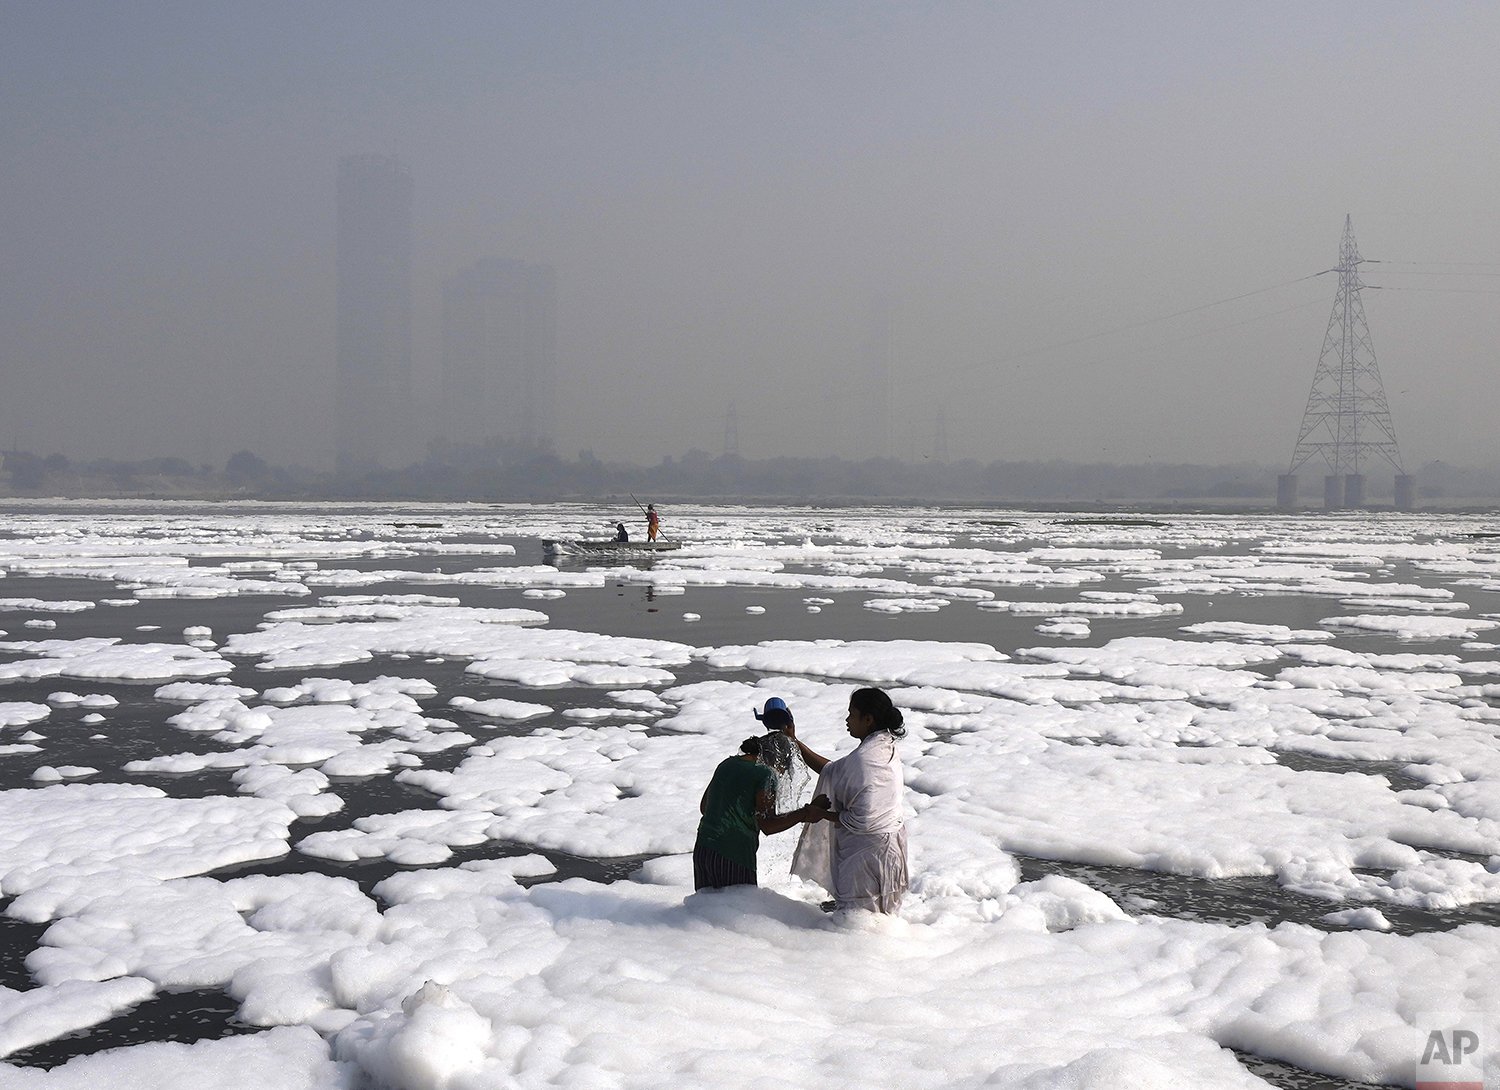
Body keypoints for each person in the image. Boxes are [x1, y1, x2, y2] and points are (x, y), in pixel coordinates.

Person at [788, 687, 910, 913]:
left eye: (851, 714)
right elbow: (833, 771)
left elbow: (862, 821)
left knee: (860, 922)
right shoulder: (884, 746)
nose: (847, 719)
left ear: (868, 719)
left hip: (869, 855)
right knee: (877, 918)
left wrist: (821, 814)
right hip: (887, 847)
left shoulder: (865, 759)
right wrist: (794, 742)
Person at [694, 736, 823, 891]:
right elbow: (768, 825)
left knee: (703, 910)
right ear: (778, 759)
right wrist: (806, 813)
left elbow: (704, 807)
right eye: (783, 768)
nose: (781, 773)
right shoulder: (765, 773)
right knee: (736, 912)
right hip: (734, 855)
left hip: (703, 849)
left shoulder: (727, 764)